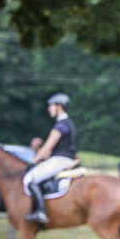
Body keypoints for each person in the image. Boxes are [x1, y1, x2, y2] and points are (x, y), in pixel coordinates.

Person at [23, 94, 77, 224]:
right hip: (61, 158)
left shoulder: (61, 125)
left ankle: (41, 212)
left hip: (61, 160)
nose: (49, 108)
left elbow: (48, 146)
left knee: (30, 178)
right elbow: (50, 149)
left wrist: (34, 160)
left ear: (60, 107)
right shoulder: (66, 123)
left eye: (51, 106)